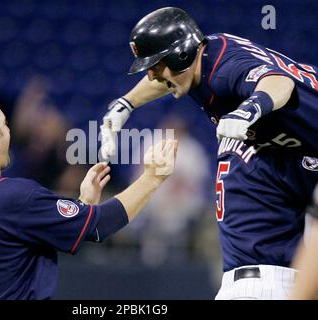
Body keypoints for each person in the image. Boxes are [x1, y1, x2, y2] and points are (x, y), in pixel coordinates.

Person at [99, 7, 318, 299]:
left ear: (182, 56)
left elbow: (279, 82)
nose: (151, 74)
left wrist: (251, 108)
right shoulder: (198, 63)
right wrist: (126, 103)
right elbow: (160, 80)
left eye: (156, 65)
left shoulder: (224, 70)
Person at [0, 88, 178, 300]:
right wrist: (152, 178)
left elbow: (14, 243)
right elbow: (99, 225)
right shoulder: (14, 196)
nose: (9, 131)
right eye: (5, 125)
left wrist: (84, 204)